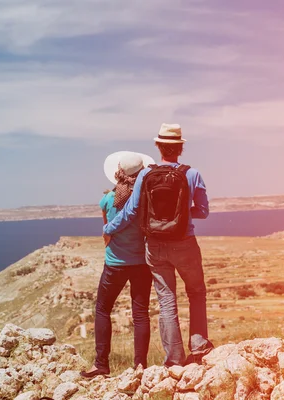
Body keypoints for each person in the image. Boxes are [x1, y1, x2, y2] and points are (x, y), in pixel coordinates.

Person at [103, 123, 213, 367]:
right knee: (196, 293)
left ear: (158, 147)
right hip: (184, 243)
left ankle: (174, 359)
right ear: (180, 147)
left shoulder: (144, 175)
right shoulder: (192, 174)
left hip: (154, 245)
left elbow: (132, 211)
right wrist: (181, 214)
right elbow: (203, 212)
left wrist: (108, 229)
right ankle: (199, 348)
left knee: (166, 300)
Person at [81, 151, 155, 378]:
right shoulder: (145, 200)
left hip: (114, 263)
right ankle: (140, 366)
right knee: (141, 313)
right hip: (142, 263)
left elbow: (107, 236)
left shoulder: (107, 200)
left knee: (103, 309)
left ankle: (101, 364)